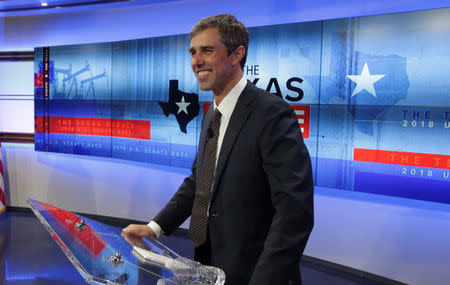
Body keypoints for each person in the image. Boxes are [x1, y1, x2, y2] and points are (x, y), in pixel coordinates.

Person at [122, 14, 314, 285]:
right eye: (193, 52)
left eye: (207, 50)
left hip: (255, 272)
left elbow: (295, 212)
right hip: (208, 263)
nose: (196, 61)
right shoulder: (212, 112)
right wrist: (155, 227)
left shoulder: (271, 113)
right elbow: (199, 182)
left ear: (237, 55)